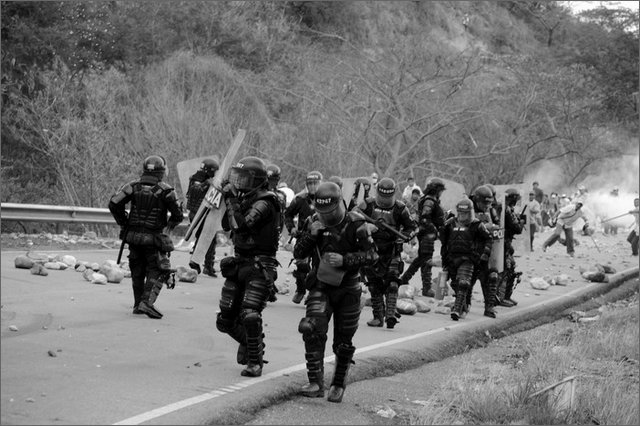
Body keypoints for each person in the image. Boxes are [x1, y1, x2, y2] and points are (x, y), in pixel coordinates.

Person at [293, 181, 378, 402]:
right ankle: (315, 382)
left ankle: (338, 384)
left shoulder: (356, 223)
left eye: (330, 212)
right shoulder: (313, 222)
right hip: (321, 285)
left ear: (339, 204)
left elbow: (372, 256)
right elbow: (298, 252)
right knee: (311, 328)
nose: (326, 217)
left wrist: (346, 260)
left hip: (348, 288)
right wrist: (311, 235)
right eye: (322, 212)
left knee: (343, 342)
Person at [216, 156, 282, 377]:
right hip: (240, 262)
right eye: (238, 178)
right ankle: (252, 344)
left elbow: (241, 226)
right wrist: (229, 198)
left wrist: (230, 198)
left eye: (244, 179)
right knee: (224, 320)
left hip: (260, 265)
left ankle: (255, 362)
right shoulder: (243, 198)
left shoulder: (266, 201)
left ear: (257, 180)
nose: (239, 183)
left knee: (250, 314)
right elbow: (227, 224)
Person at [108, 155, 183, 319]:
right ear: (161, 172)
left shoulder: (132, 187)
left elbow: (114, 203)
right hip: (153, 238)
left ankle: (138, 304)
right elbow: (178, 215)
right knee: (158, 269)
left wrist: (124, 222)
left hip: (133, 236)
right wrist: (168, 228)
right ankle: (146, 303)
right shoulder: (166, 190)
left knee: (138, 270)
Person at [354, 177, 416, 329]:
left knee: (392, 282)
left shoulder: (401, 208)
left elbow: (413, 227)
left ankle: (390, 315)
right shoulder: (367, 204)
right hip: (371, 248)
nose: (385, 201)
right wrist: (367, 225)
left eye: (388, 197)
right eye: (382, 197)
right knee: (374, 285)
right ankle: (378, 317)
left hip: (392, 249)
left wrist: (406, 236)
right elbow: (353, 217)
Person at [439, 197, 493, 320]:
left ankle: (457, 310)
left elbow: (488, 239)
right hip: (452, 258)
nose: (463, 216)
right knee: (456, 285)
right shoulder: (450, 223)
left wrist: (485, 253)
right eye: (461, 213)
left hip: (468, 258)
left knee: (464, 282)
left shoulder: (476, 225)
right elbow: (443, 240)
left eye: (466, 213)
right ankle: (463, 305)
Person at [400, 177, 446, 297]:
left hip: (427, 233)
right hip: (427, 234)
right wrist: (436, 230)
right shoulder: (430, 201)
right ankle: (426, 287)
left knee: (422, 258)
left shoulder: (430, 200)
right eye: (441, 190)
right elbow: (425, 218)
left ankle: (405, 279)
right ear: (436, 190)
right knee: (426, 260)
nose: (441, 193)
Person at [285, 170, 323, 304]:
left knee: (318, 268)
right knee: (301, 266)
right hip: (304, 237)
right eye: (310, 183)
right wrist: (292, 228)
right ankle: (300, 290)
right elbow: (288, 215)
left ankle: (313, 294)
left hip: (321, 238)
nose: (313, 186)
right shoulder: (300, 199)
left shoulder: (326, 198)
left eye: (315, 183)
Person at [469, 184, 500, 318]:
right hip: (470, 250)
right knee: (467, 280)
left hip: (485, 249)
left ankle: (489, 306)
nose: (487, 206)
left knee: (490, 277)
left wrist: (492, 228)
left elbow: (494, 228)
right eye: (484, 203)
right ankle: (463, 304)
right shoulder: (467, 208)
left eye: (489, 203)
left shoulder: (488, 211)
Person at [185, 158, 220, 277]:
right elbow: (196, 190)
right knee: (205, 238)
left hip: (205, 213)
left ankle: (206, 265)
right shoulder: (197, 178)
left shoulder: (206, 179)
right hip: (198, 213)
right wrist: (207, 184)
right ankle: (199, 264)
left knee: (208, 238)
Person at [496, 188, 525, 307]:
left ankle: (505, 296)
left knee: (510, 267)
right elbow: (517, 228)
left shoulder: (503, 207)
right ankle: (499, 297)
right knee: (506, 269)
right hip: (503, 242)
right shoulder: (506, 209)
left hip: (503, 242)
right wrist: (521, 221)